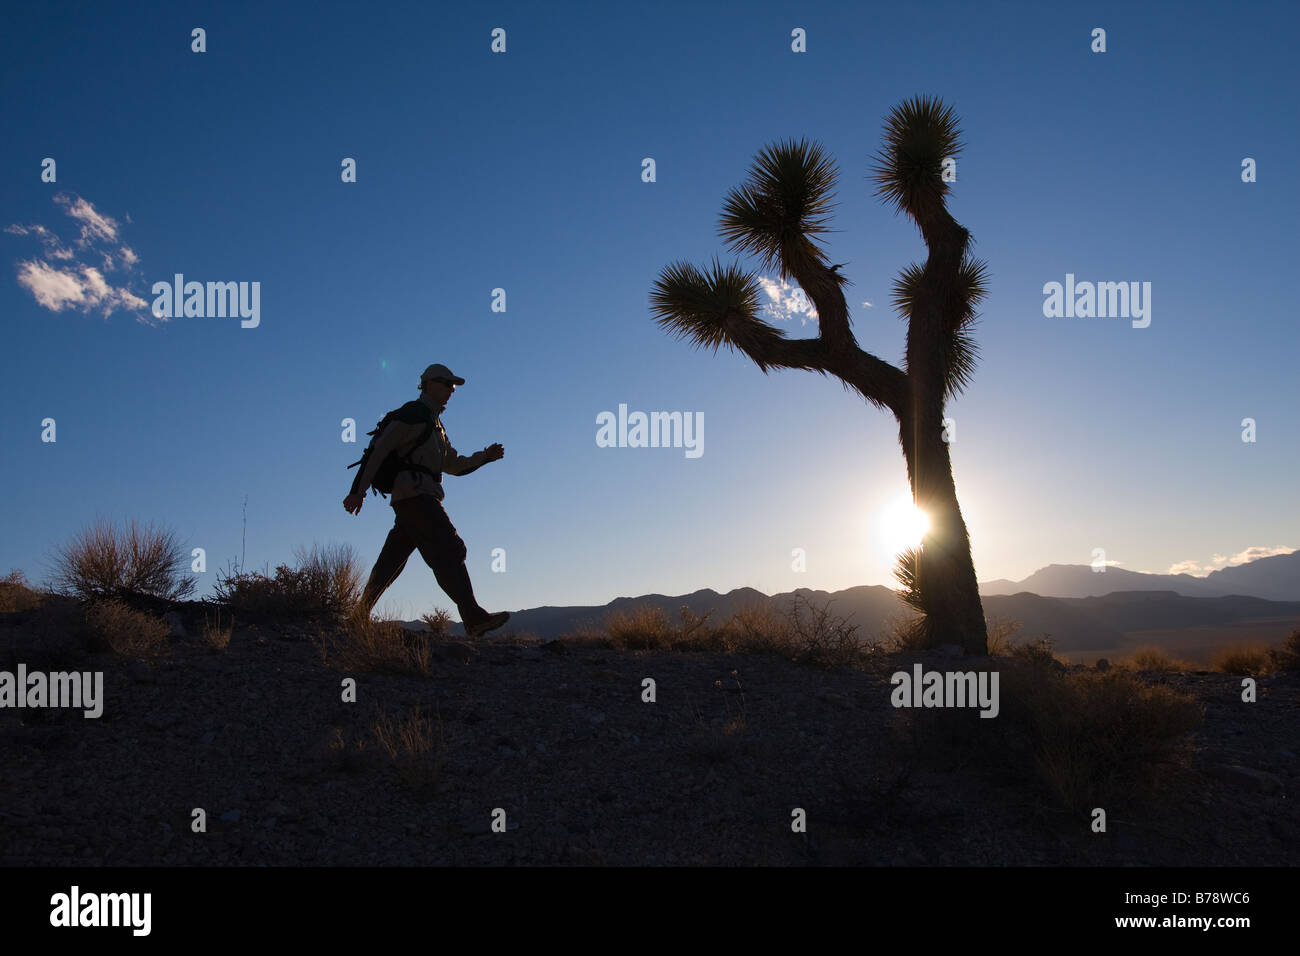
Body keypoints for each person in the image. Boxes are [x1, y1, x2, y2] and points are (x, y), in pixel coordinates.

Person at [343, 363, 510, 637]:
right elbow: (378, 450)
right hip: (416, 497)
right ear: (429, 384)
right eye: (447, 384)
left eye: (453, 386)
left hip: (415, 498)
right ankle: (472, 615)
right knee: (450, 547)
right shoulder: (414, 413)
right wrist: (357, 490)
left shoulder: (436, 425)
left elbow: (453, 465)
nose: (451, 390)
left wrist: (485, 456)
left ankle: (359, 615)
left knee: (391, 559)